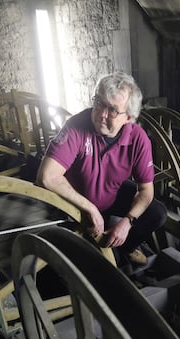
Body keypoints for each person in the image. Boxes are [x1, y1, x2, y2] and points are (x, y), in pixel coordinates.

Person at [36, 72, 167, 265]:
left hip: (109, 194)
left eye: (113, 110)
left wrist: (127, 222)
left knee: (157, 213)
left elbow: (146, 190)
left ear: (129, 117)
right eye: (98, 103)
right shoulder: (76, 126)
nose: (101, 115)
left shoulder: (138, 139)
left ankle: (126, 247)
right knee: (72, 263)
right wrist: (90, 208)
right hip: (75, 203)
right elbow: (46, 177)